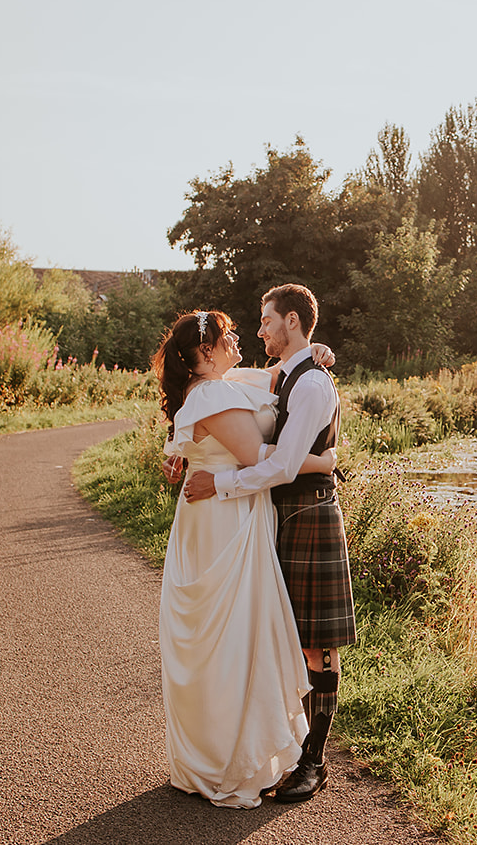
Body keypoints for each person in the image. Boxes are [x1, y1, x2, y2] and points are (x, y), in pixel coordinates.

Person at [153, 309, 337, 808]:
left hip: (217, 517)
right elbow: (260, 455)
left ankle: (217, 753)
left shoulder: (217, 383)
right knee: (233, 639)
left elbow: (275, 378)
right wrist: (323, 461)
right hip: (225, 523)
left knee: (229, 640)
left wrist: (316, 353)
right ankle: (227, 760)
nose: (239, 338)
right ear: (206, 351)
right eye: (228, 334)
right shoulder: (211, 392)